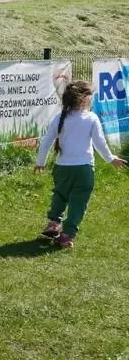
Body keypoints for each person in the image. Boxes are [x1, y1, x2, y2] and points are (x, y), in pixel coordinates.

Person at [35, 81, 127, 247]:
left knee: (60, 194)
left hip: (62, 168)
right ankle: (67, 235)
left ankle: (53, 223)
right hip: (84, 169)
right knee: (78, 202)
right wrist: (110, 158)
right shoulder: (91, 118)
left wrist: (40, 162)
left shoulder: (59, 118)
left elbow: (46, 141)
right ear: (84, 99)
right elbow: (100, 143)